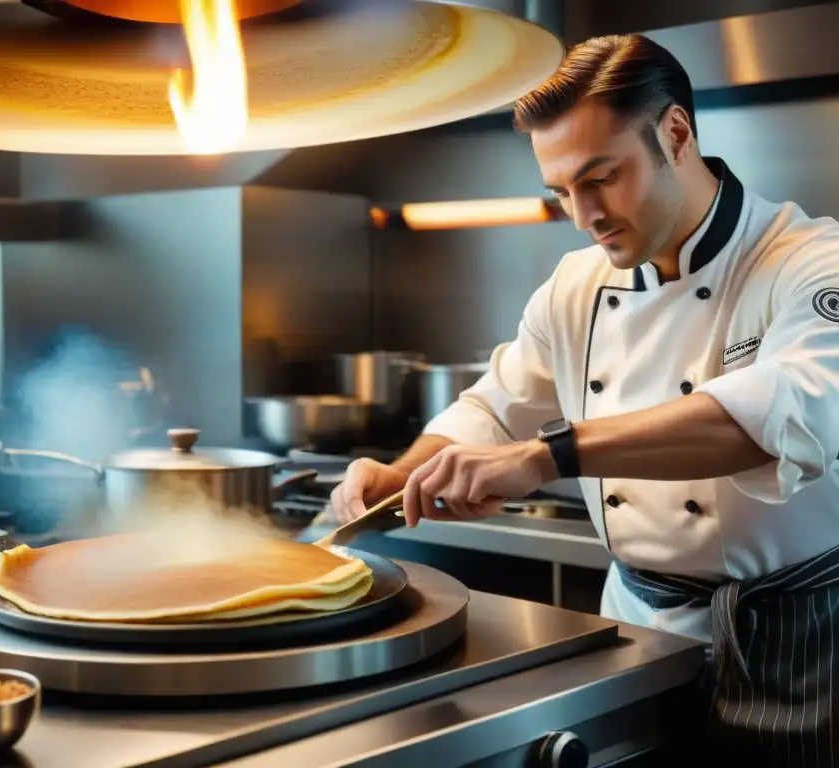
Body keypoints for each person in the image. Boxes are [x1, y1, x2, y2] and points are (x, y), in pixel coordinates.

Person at [330, 33, 839, 764]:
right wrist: (404, 472)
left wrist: (548, 457)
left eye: (602, 178)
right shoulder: (576, 284)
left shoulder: (809, 262)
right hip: (635, 630)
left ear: (676, 133)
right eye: (561, 190)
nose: (583, 213)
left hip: (794, 641)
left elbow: (778, 417)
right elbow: (495, 404)